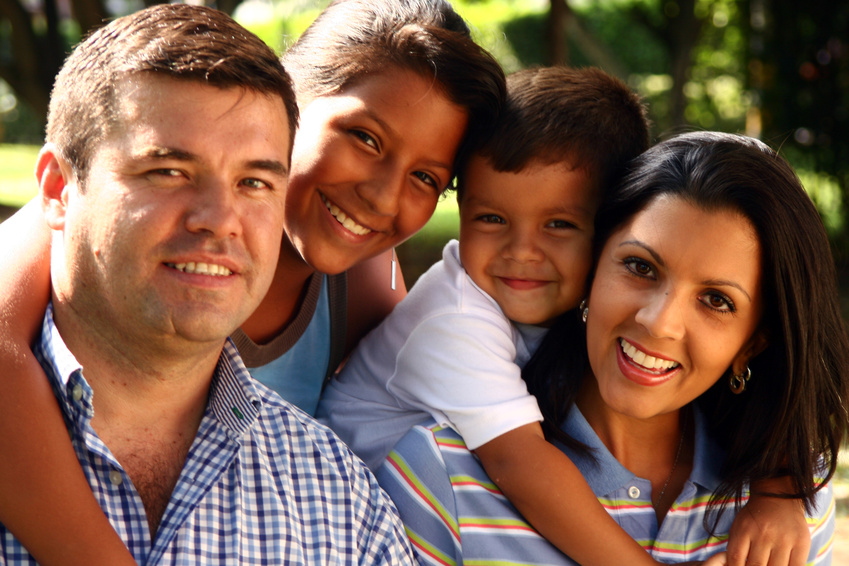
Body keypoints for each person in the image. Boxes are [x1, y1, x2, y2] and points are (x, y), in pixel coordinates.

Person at [0, 0, 505, 564]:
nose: (383, 196)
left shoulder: (366, 292)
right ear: (287, 101)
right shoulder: (87, 222)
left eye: (425, 177)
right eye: (364, 138)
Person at [377, 131, 847, 565]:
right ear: (592, 266)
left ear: (752, 346)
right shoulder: (443, 476)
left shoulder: (788, 506)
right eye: (641, 267)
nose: (659, 321)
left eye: (716, 301)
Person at [318, 66, 666, 566]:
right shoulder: (454, 319)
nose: (521, 252)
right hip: (357, 531)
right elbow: (521, 466)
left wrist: (777, 489)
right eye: (492, 218)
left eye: (559, 225)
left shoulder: (589, 312)